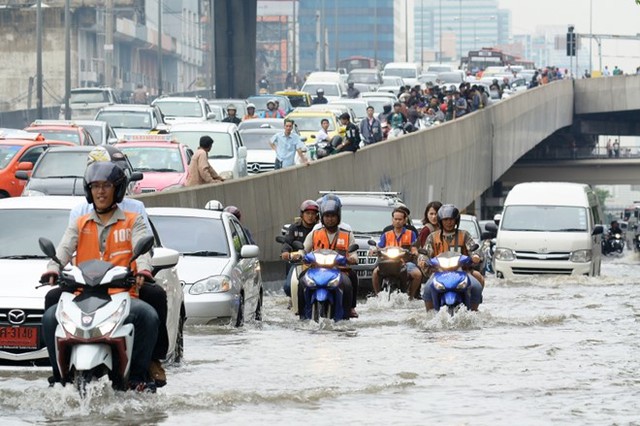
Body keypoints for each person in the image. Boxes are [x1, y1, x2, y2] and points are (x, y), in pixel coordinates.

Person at [41, 161, 159, 391]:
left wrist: (143, 270)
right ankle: (59, 377)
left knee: (149, 317)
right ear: (89, 190)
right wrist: (52, 269)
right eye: (95, 186)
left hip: (121, 294)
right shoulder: (80, 223)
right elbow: (63, 249)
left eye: (106, 186)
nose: (100, 191)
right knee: (48, 318)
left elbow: (143, 249)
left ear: (118, 189)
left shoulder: (133, 221)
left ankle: (137, 377)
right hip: (82, 295)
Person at [300, 197, 357, 320]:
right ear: (322, 218)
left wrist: (352, 258)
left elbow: (354, 254)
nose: (330, 219)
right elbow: (304, 249)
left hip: (340, 270)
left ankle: (350, 309)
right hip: (316, 269)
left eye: (333, 216)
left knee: (350, 280)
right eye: (327, 216)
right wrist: (298, 254)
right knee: (301, 280)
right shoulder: (315, 233)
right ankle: (302, 312)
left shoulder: (347, 234)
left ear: (338, 217)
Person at [421, 204, 484, 312]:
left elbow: (474, 249)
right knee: (427, 289)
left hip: (462, 271)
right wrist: (422, 260)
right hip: (439, 272)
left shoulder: (464, 235)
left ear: (456, 221)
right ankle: (430, 314)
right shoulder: (432, 237)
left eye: (451, 219)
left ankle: (473, 312)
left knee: (477, 287)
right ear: (440, 221)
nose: (449, 222)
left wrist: (476, 256)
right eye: (445, 220)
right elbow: (425, 252)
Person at [371, 208, 422, 299]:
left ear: (405, 220)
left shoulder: (411, 234)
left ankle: (411, 296)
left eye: (400, 219)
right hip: (387, 262)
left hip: (405, 263)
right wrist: (374, 250)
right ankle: (378, 295)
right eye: (395, 219)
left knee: (417, 274)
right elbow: (379, 246)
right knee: (375, 272)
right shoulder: (386, 234)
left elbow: (414, 247)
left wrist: (415, 252)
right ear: (392, 220)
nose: (397, 221)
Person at [281, 200, 320, 314]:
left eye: (313, 214)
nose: (310, 216)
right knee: (289, 286)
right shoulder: (294, 228)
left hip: (317, 263)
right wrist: (286, 252)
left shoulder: (319, 229)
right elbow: (287, 243)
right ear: (302, 214)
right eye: (308, 213)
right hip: (299, 262)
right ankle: (294, 299)